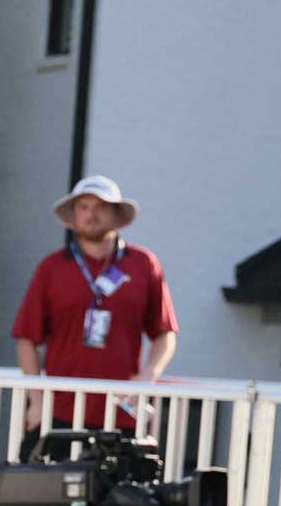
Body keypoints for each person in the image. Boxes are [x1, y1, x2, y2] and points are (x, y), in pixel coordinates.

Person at [11, 174, 180, 456]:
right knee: (40, 493)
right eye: (84, 206)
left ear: (116, 215)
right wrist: (37, 401)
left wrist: (148, 376)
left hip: (121, 412)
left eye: (101, 206)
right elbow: (27, 338)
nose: (92, 214)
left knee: (124, 496)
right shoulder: (52, 267)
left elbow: (165, 333)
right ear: (74, 215)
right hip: (59, 410)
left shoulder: (143, 264)